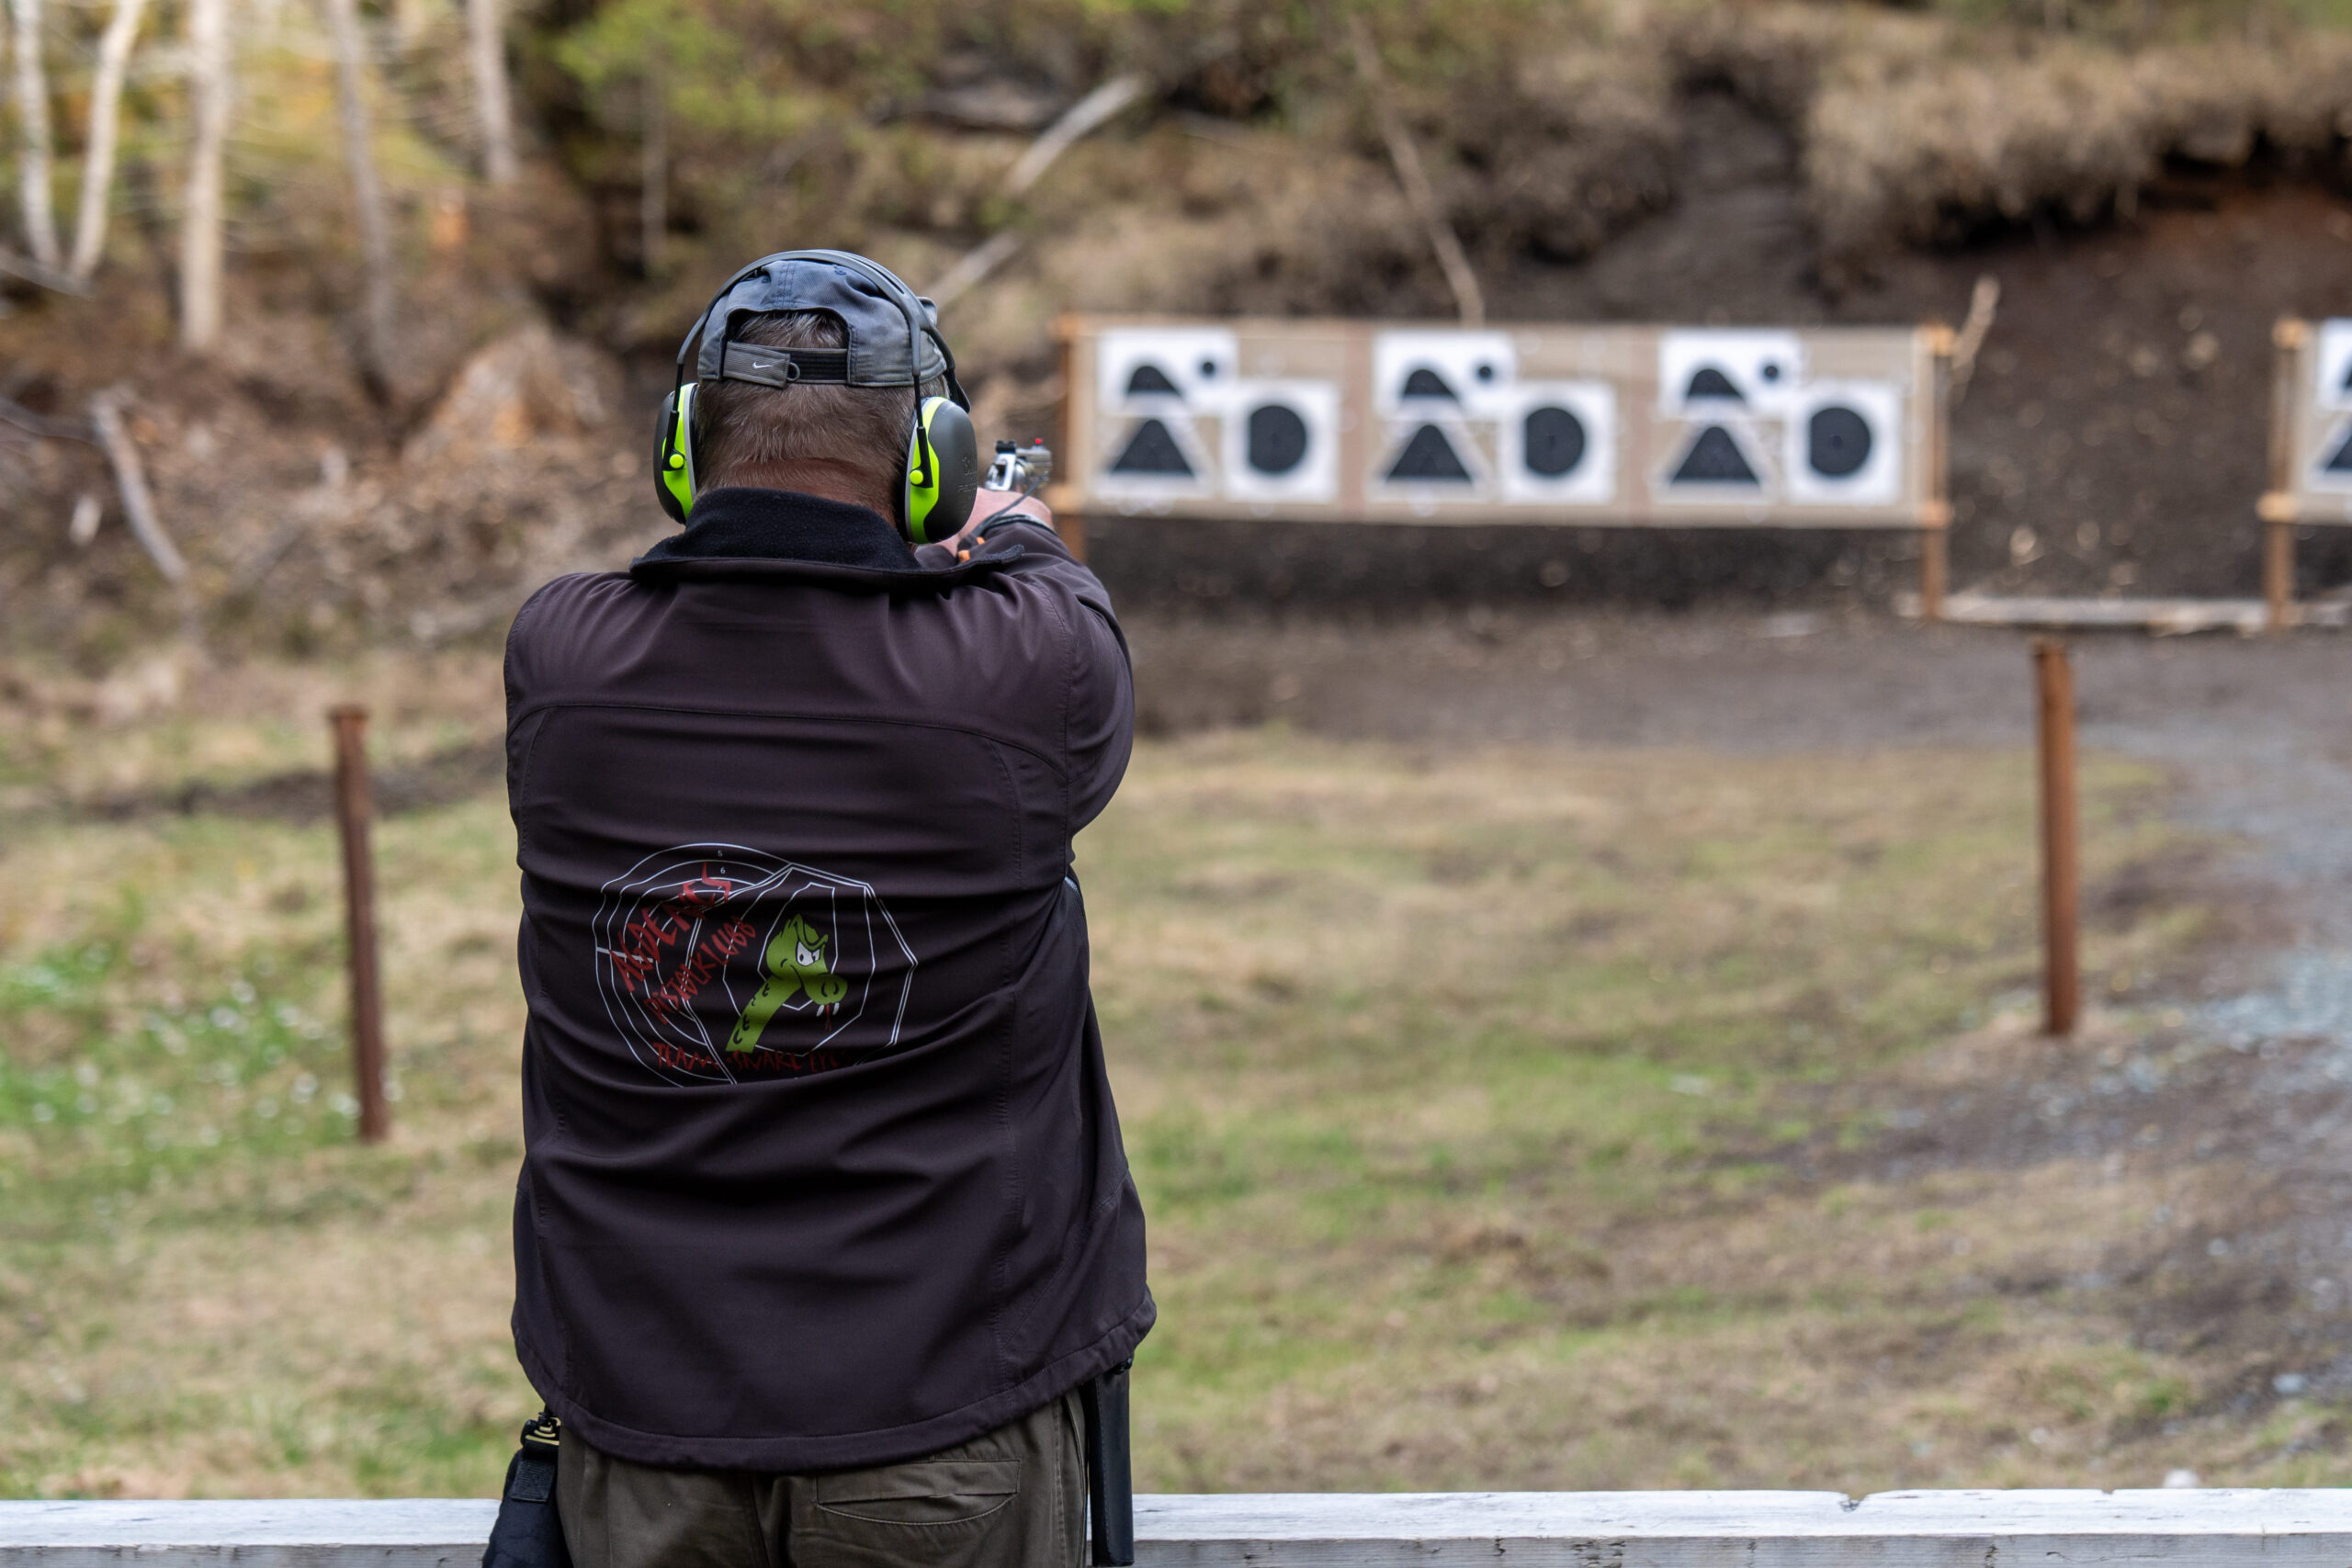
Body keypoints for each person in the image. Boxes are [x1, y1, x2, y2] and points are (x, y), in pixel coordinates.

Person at [499, 250, 1150, 1568]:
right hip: (944, 1412)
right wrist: (1009, 525)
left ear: (683, 449)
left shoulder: (562, 656)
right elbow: (1057, 608)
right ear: (935, 463)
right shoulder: (1024, 662)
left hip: (643, 1422)